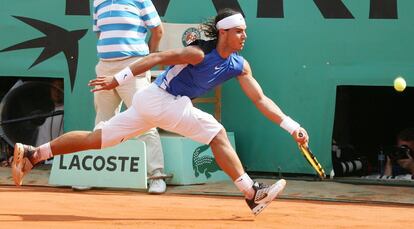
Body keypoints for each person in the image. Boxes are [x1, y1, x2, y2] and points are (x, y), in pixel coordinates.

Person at [12, 9, 309, 216]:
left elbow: (260, 99)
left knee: (96, 138)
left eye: (245, 32)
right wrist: (119, 78)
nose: (244, 36)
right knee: (216, 132)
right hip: (161, 98)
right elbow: (155, 57)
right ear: (223, 32)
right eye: (239, 31)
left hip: (152, 104)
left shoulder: (238, 65)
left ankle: (33, 154)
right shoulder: (198, 53)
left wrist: (292, 126)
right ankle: (251, 192)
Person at [92, 0, 166, 193]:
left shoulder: (141, 1)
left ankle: (156, 175)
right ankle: (92, 173)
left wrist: (145, 61)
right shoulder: (98, 2)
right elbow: (101, 34)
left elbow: (158, 31)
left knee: (144, 119)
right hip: (104, 67)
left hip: (133, 66)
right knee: (102, 119)